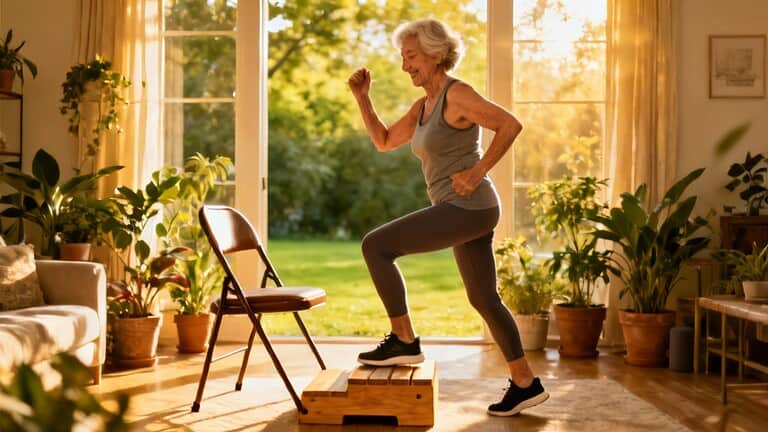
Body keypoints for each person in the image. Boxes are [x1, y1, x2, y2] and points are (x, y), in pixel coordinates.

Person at [347, 18, 549, 416]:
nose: (405, 65)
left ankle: (404, 340)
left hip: (469, 207)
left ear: (436, 54)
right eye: (403, 57)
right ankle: (526, 383)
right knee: (484, 298)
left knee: (377, 245)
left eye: (411, 56)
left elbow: (510, 124)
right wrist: (363, 97)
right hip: (463, 210)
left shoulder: (458, 95)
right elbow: (385, 141)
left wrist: (478, 172)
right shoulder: (423, 106)